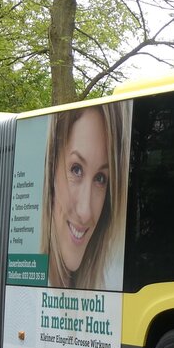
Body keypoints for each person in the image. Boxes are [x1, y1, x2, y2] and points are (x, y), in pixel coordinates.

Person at [39, 103, 129, 289]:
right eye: (76, 169)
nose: (85, 212)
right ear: (51, 167)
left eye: (100, 178)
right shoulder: (28, 300)